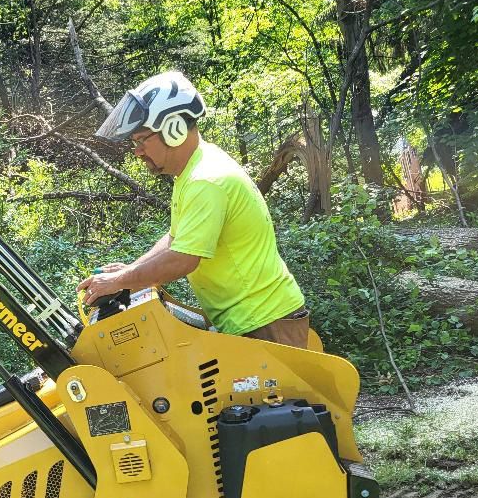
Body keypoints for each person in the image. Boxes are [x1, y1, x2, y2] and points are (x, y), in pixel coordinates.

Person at [77, 72, 311, 348]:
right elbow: (177, 238)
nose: (137, 151)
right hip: (252, 321)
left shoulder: (205, 179)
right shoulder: (193, 169)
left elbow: (183, 259)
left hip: (264, 323)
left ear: (173, 129)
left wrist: (120, 281)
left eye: (142, 140)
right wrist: (131, 270)